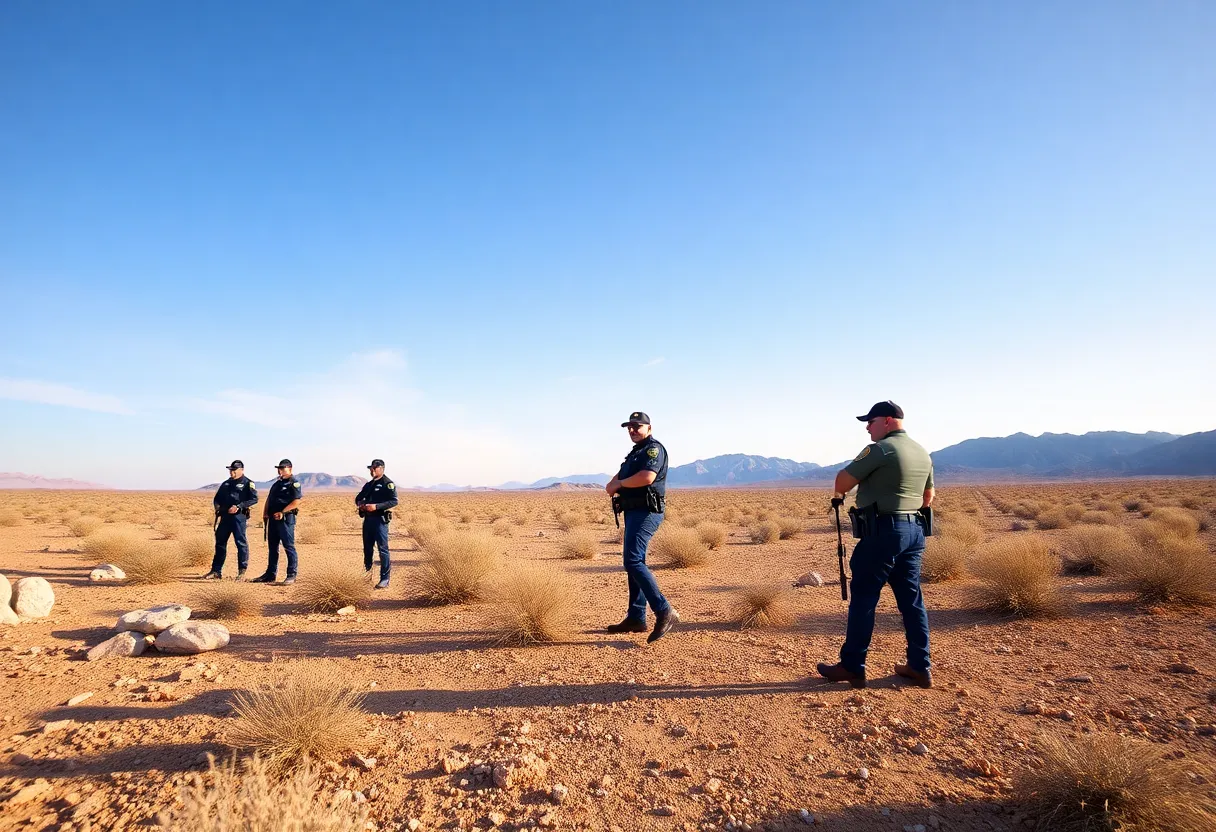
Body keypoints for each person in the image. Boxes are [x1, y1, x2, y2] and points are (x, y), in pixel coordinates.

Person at [817, 401, 935, 689]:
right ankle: (920, 667)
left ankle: (852, 666)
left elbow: (842, 481)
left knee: (864, 597)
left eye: (870, 422)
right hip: (914, 530)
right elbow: (927, 498)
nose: (867, 428)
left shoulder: (880, 449)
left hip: (883, 531)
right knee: (912, 601)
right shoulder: (922, 452)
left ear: (888, 421)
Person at [604, 411, 679, 643]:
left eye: (637, 426)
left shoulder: (653, 450)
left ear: (649, 428)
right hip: (633, 511)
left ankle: (664, 610)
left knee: (633, 561)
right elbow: (611, 484)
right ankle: (636, 617)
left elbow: (647, 477)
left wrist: (619, 484)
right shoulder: (635, 454)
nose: (632, 430)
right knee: (635, 563)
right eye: (630, 427)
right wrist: (616, 484)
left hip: (647, 512)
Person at [203, 460, 259, 580]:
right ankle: (216, 571)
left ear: (241, 470)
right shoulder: (226, 483)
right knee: (220, 543)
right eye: (230, 470)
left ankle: (241, 572)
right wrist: (217, 508)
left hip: (238, 517)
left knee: (240, 543)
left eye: (234, 470)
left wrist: (239, 506)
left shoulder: (248, 483)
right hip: (225, 517)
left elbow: (254, 499)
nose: (231, 472)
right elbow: (217, 498)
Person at [250, 459, 303, 585]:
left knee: (288, 546)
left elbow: (296, 501)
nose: (280, 470)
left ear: (290, 468)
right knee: (273, 547)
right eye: (279, 468)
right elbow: (269, 499)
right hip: (272, 519)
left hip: (285, 519)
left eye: (283, 468)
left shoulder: (294, 483)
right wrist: (265, 512)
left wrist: (283, 512)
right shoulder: (277, 484)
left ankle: (291, 574)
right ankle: (270, 574)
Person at [355, 459, 398, 589]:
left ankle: (385, 578)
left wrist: (376, 506)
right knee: (367, 549)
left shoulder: (387, 483)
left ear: (382, 469)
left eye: (375, 468)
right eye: (371, 468)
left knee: (382, 549)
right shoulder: (369, 485)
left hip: (380, 521)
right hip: (368, 520)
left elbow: (394, 501)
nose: (372, 470)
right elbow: (358, 498)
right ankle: (367, 576)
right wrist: (361, 504)